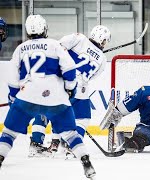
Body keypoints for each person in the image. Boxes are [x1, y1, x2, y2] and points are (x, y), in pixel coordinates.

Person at [0, 14, 95, 178]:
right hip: (55, 97)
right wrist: (69, 89)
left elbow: (13, 80)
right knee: (71, 134)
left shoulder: (20, 48)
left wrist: (14, 99)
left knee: (9, 133)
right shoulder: (54, 45)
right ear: (44, 29)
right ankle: (86, 161)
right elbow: (70, 70)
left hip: (26, 96)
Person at [29, 24, 111, 157]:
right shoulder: (102, 59)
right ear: (102, 40)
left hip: (61, 80)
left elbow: (58, 47)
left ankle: (36, 144)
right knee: (82, 119)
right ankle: (70, 146)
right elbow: (92, 76)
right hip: (79, 90)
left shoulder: (79, 38)